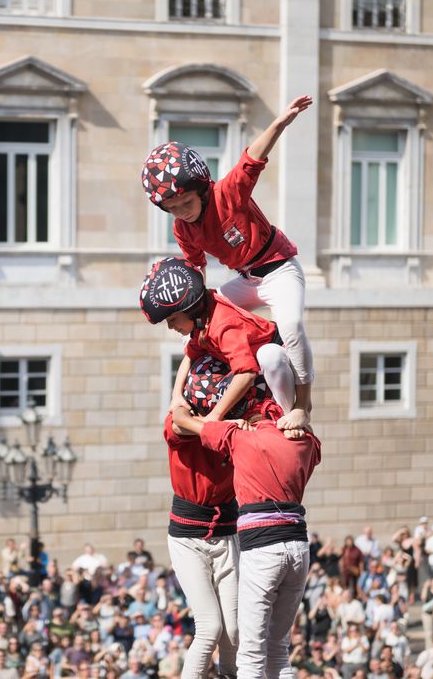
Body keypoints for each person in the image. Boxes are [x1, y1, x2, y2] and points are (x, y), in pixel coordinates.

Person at [140, 95, 315, 430]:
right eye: (173, 208)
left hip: (279, 269)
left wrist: (280, 123)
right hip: (248, 279)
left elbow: (253, 158)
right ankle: (203, 392)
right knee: (195, 327)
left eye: (186, 203)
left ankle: (302, 406)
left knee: (291, 326)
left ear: (202, 189)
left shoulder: (228, 194)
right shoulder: (183, 228)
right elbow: (195, 275)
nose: (182, 213)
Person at [173, 369, 321, 679]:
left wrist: (218, 417)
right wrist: (299, 417)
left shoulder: (241, 439)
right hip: (297, 545)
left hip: (262, 546)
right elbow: (310, 439)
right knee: (277, 649)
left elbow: (182, 419)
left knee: (250, 653)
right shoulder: (305, 441)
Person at [159, 359, 247, 679]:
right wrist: (218, 424)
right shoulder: (181, 422)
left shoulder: (236, 424)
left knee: (235, 630)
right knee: (209, 627)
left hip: (226, 533)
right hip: (188, 538)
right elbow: (179, 421)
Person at [140, 256, 295, 428]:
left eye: (173, 319)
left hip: (276, 364)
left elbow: (246, 373)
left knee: (270, 356)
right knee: (199, 370)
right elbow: (189, 357)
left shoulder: (223, 325)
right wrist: (176, 396)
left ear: (191, 309)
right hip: (253, 367)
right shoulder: (203, 321)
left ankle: (284, 416)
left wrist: (214, 416)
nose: (170, 327)